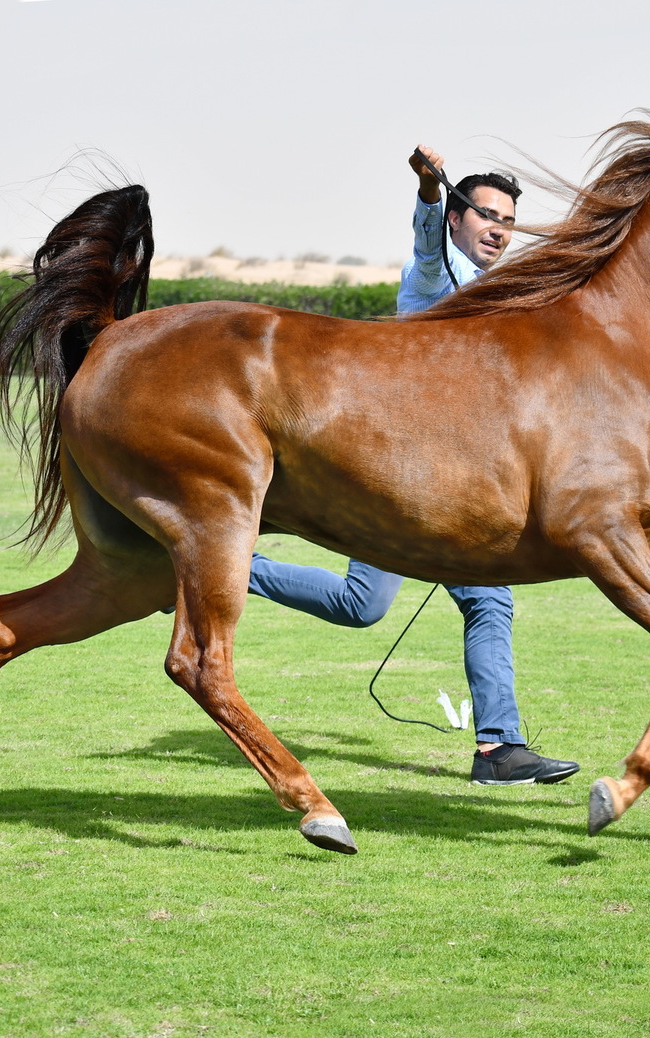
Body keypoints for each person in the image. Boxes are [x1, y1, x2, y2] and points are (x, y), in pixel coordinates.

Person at [247, 146, 579, 786]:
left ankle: (498, 750)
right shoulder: (434, 272)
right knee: (362, 604)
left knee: (480, 601)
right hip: (396, 476)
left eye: (508, 220)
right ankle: (230, 565)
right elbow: (428, 237)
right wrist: (429, 188)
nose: (499, 229)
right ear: (457, 218)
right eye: (486, 214)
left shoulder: (497, 291)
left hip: (455, 485)